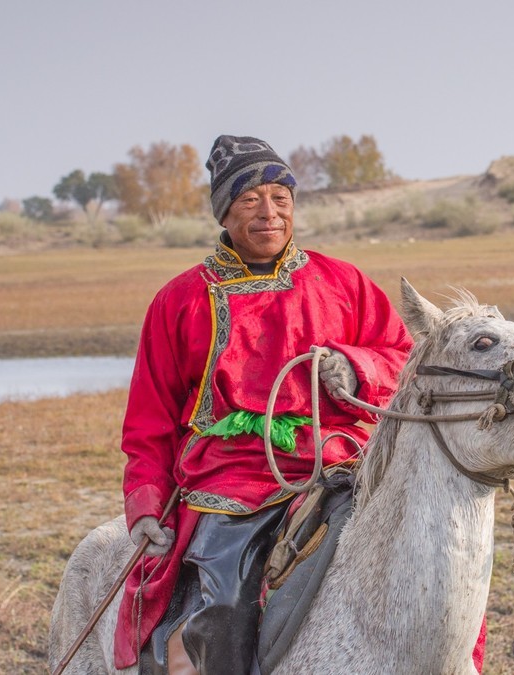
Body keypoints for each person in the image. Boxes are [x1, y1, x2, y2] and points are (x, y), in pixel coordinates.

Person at [113, 135, 413, 674]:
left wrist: (355, 365)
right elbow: (149, 418)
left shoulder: (342, 282)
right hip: (234, 473)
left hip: (342, 455)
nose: (269, 214)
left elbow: (403, 358)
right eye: (250, 200)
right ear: (225, 212)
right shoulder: (180, 300)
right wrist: (144, 501)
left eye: (280, 198)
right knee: (227, 603)